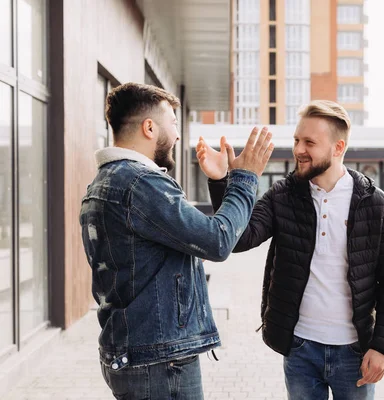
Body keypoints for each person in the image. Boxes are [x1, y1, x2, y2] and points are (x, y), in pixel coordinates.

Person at [196, 100, 384, 400]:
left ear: (338, 148)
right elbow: (239, 237)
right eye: (297, 140)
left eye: (309, 142)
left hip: (355, 353)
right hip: (300, 350)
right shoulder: (283, 195)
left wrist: (382, 346)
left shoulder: (374, 203)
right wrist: (221, 182)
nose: (298, 150)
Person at [80, 82, 273, 400]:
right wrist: (245, 177)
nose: (178, 133)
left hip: (135, 352)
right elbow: (218, 240)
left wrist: (219, 180)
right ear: (150, 127)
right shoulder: (140, 183)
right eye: (172, 122)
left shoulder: (103, 183)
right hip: (158, 361)